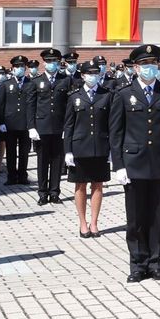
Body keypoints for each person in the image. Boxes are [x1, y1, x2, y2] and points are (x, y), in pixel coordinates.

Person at [109, 44, 160, 282]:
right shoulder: (123, 94)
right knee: (136, 219)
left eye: (153, 64)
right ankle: (137, 264)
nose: (149, 69)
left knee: (157, 217)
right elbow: (116, 133)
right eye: (144, 65)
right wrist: (118, 165)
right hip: (134, 165)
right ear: (135, 68)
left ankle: (155, 262)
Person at [63, 62, 112, 238]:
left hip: (101, 146)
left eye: (96, 73)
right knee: (80, 185)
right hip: (80, 147)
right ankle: (82, 222)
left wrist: (113, 149)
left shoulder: (106, 95)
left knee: (98, 185)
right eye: (89, 73)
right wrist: (67, 150)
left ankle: (94, 222)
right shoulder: (74, 96)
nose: (93, 76)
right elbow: (68, 125)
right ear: (82, 76)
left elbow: (111, 124)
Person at [25, 48, 70, 206]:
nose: (52, 64)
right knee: (42, 161)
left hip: (59, 127)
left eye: (54, 61)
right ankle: (42, 192)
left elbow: (68, 106)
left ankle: (55, 192)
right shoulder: (36, 82)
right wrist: (31, 127)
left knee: (58, 161)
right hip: (41, 128)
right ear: (44, 63)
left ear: (58, 63)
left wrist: (67, 127)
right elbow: (30, 106)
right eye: (49, 61)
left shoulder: (65, 80)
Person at [0, 56, 30, 185]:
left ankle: (22, 176)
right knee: (11, 151)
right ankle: (11, 176)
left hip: (25, 123)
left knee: (24, 152)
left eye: (21, 66)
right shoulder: (6, 84)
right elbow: (0, 105)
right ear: (12, 69)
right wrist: (1, 122)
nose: (19, 69)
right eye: (17, 67)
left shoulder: (31, 83)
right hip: (10, 124)